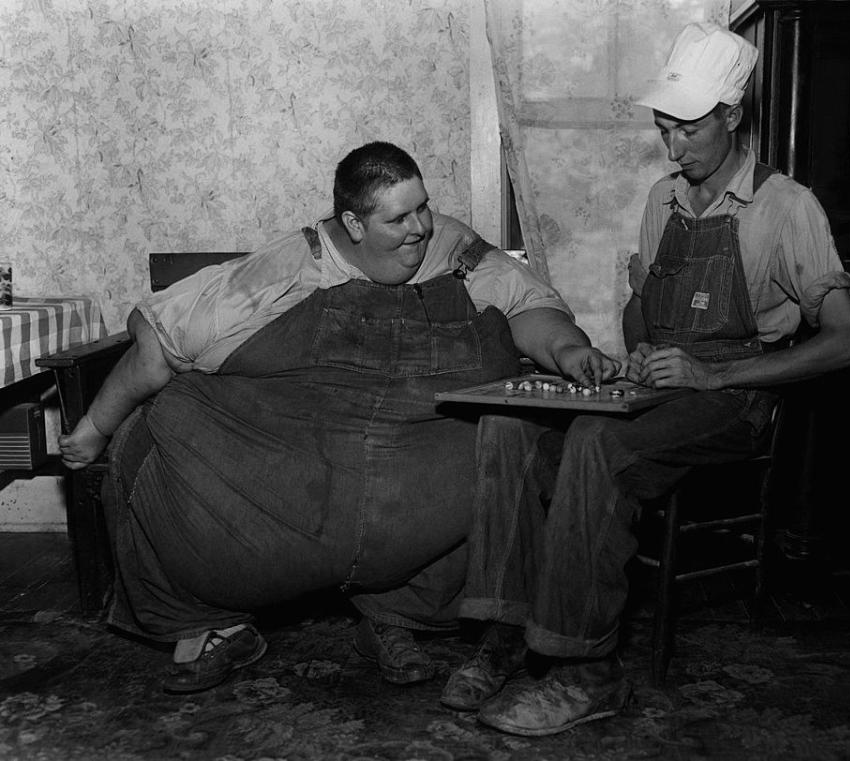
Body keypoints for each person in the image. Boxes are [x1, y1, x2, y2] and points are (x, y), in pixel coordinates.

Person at [58, 141, 620, 694]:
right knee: (153, 435)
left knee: (514, 439)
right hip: (299, 469)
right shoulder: (284, 269)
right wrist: (93, 429)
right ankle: (218, 628)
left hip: (417, 477)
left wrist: (568, 351)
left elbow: (531, 306)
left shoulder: (455, 251)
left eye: (423, 206)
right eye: (399, 218)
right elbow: (154, 348)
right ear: (353, 224)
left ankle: (393, 620)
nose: (421, 227)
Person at [441, 22, 850, 736]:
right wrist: (636, 354)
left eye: (689, 129)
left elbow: (847, 343)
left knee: (596, 448)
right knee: (511, 426)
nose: (674, 147)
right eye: (665, 128)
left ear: (732, 116)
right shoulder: (661, 201)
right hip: (666, 384)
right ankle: (509, 631)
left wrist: (713, 373)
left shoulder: (786, 207)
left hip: (738, 398)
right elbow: (646, 315)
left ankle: (586, 671)